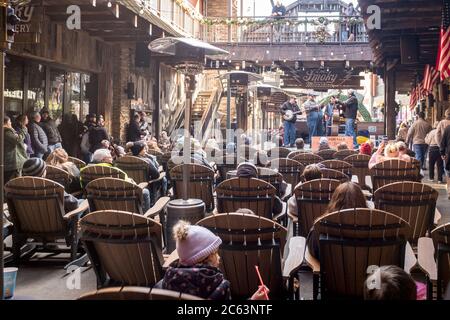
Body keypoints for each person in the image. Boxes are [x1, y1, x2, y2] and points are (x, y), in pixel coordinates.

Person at [159, 221, 268, 300]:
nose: (219, 257)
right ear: (206, 258)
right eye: (215, 253)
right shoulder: (218, 285)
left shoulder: (166, 281)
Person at [307, 182, 368, 259]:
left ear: (335, 202)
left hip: (330, 270)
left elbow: (313, 251)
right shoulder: (376, 226)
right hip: (366, 270)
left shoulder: (320, 226)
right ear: (362, 201)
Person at [81, 148, 152, 212]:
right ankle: (145, 217)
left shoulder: (84, 171)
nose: (112, 158)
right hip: (122, 202)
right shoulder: (116, 171)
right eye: (109, 157)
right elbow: (131, 185)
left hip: (98, 206)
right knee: (145, 192)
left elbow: (83, 186)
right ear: (103, 160)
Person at [4, 116, 28, 183]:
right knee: (13, 181)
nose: (11, 123)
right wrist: (24, 129)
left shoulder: (9, 131)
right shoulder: (6, 132)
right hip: (11, 161)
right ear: (6, 122)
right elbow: (17, 140)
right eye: (9, 121)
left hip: (12, 160)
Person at [439, 123, 450, 199]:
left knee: (448, 173)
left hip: (449, 154)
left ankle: (449, 191)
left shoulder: (447, 128)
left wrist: (442, 153)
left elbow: (443, 142)